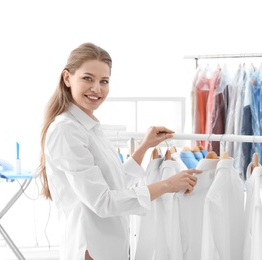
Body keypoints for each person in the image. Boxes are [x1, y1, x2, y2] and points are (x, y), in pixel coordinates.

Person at [38, 42, 201, 260]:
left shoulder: (89, 126)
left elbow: (115, 182)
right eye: (88, 78)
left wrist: (143, 147)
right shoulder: (66, 131)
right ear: (67, 78)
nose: (97, 89)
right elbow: (103, 202)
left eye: (104, 81)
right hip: (91, 248)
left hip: (110, 246)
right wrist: (167, 185)